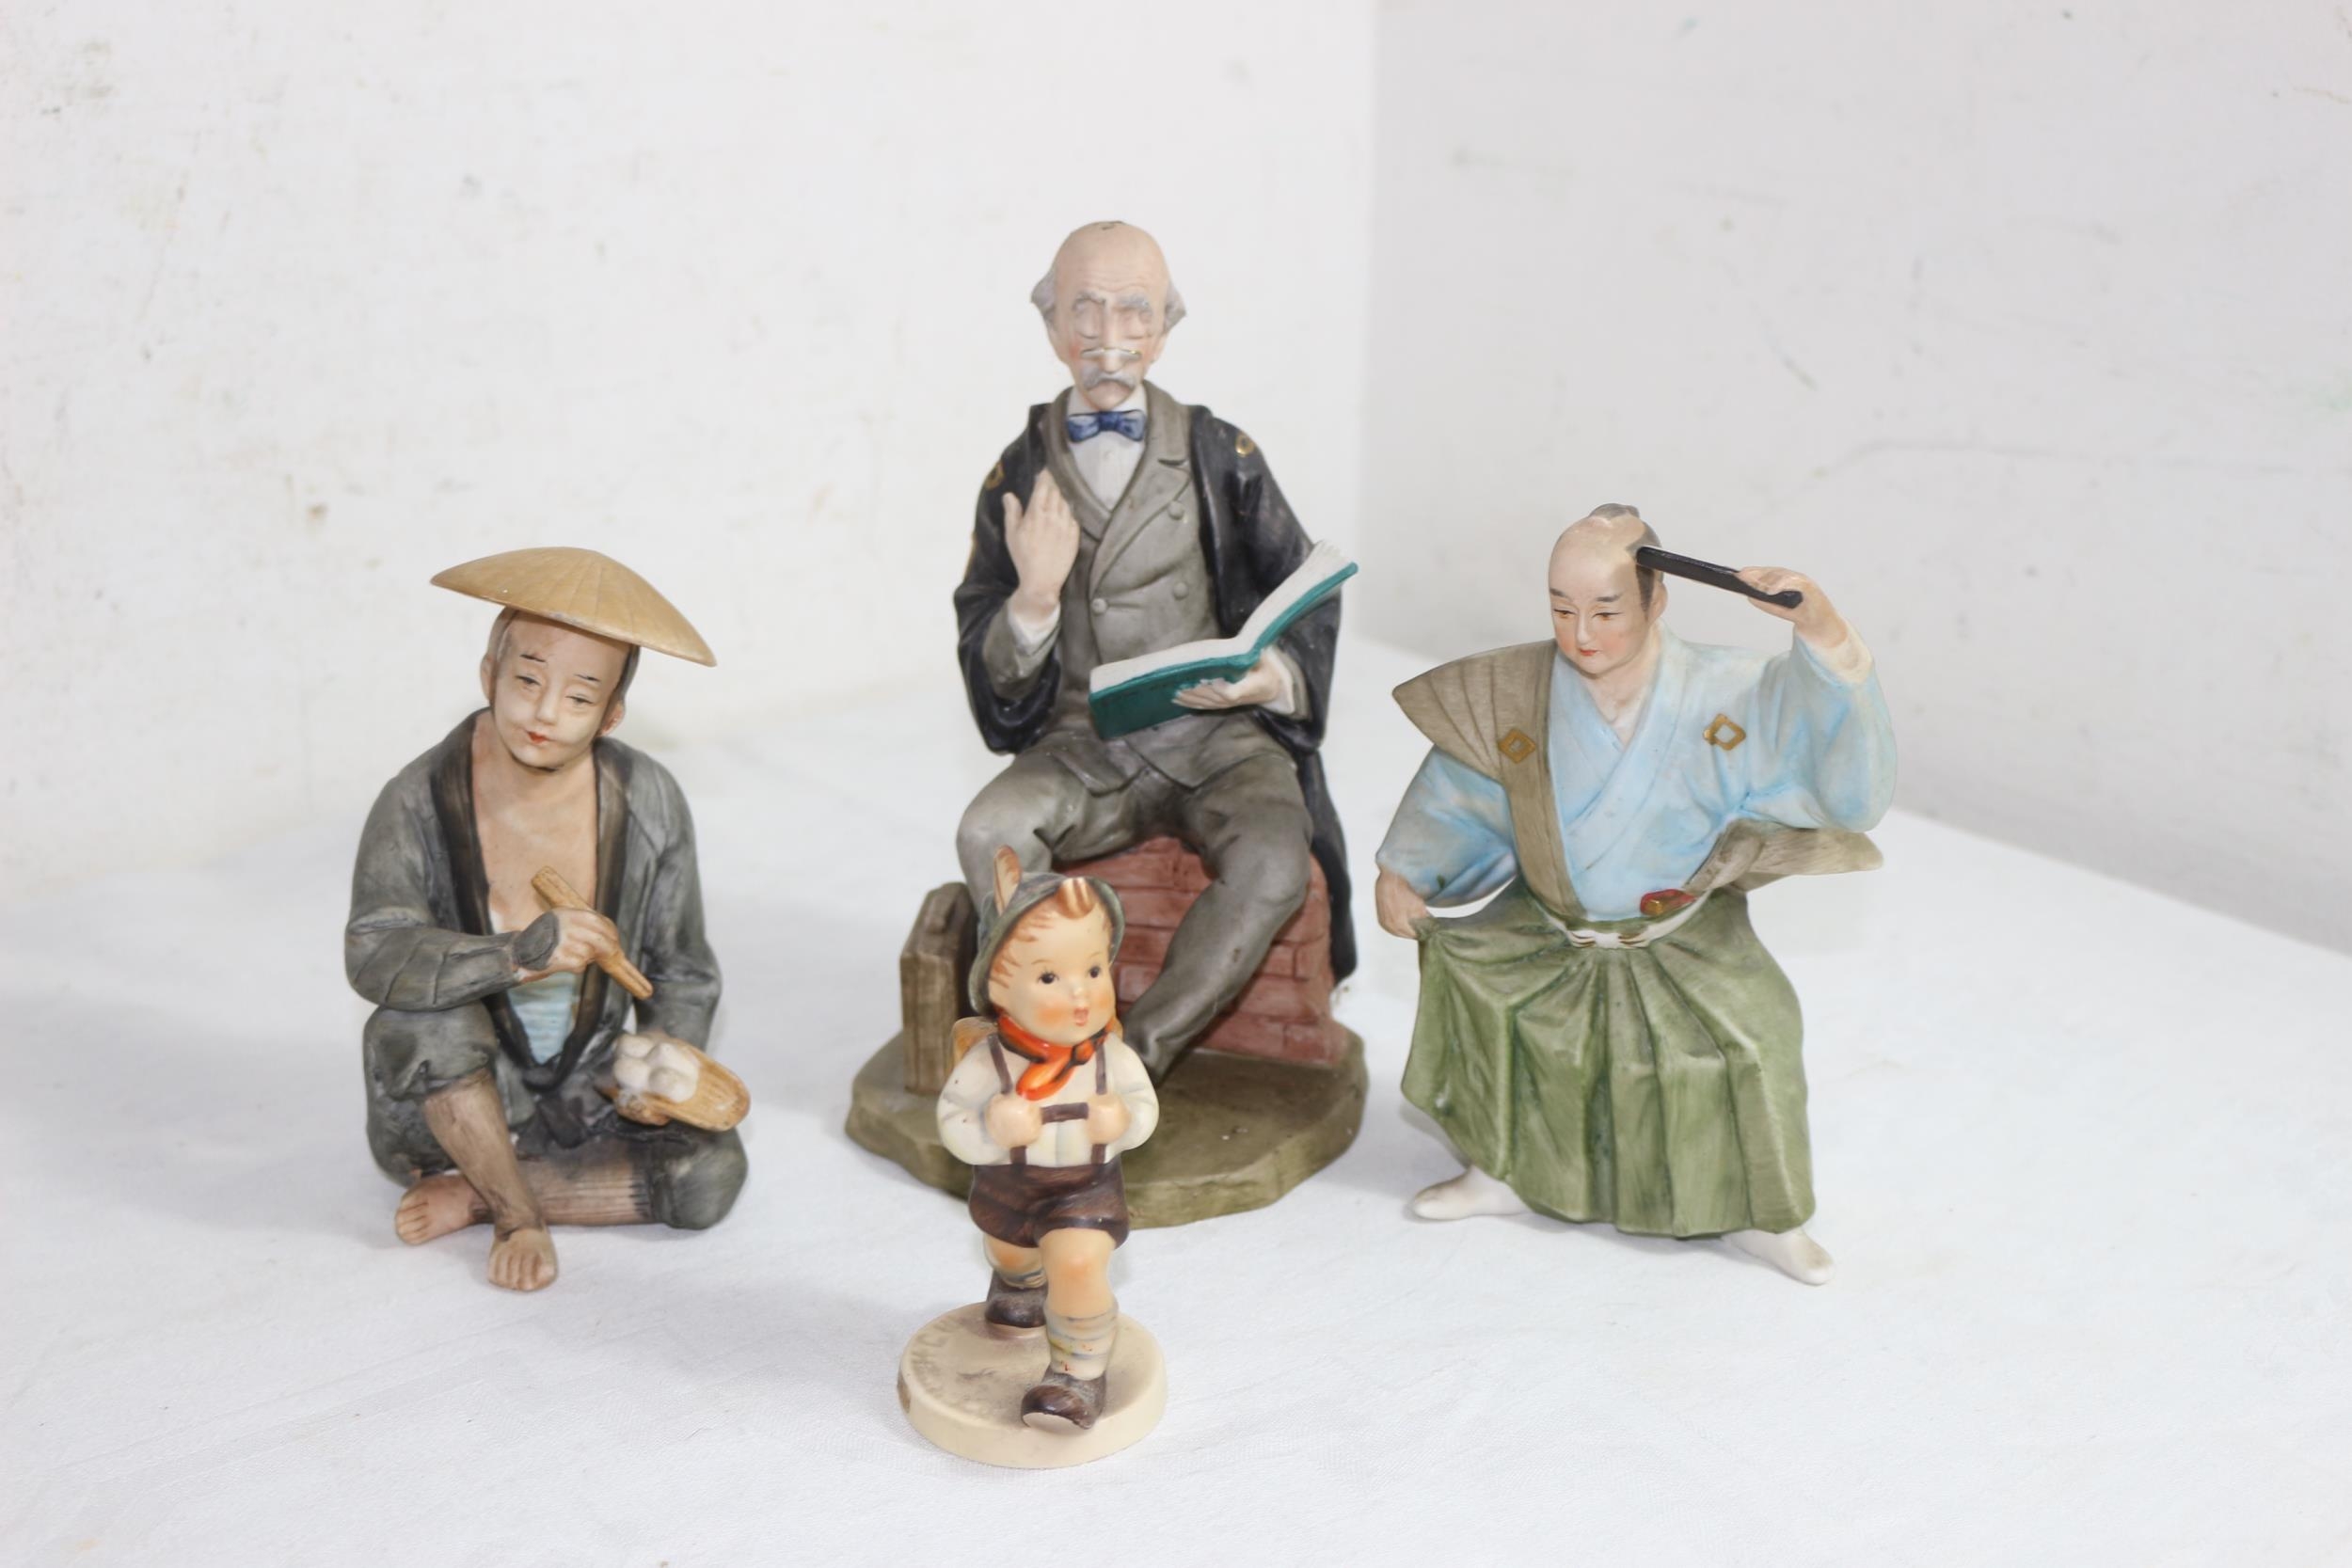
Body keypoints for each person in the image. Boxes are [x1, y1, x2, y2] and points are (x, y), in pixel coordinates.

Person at [1375, 507, 1894, 1283]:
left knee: (1752, 1042)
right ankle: (1505, 1172)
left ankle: (1761, 1212)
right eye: (1562, 609)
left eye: (1606, 610)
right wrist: (1406, 870)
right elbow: (1463, 792)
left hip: (1680, 934)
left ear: (1657, 600)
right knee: (1503, 1019)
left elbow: (1830, 764)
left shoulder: (1727, 692)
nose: (1581, 633)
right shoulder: (1516, 693)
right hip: (1551, 927)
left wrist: (1824, 633)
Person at [952, 220, 1351, 1080]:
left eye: (1133, 310)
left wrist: (1270, 677)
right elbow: (985, 641)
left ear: (1165, 329)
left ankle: (1140, 1052)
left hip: (1216, 738)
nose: (1109, 336)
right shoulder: (1018, 472)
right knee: (989, 828)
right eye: (1084, 310)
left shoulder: (1220, 454)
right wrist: (1032, 600)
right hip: (1082, 745)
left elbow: (1302, 584)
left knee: (1276, 859)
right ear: (1051, 326)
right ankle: (1050, 1023)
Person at [348, 547, 744, 1291]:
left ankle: (477, 1190)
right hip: (452, 1090)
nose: (544, 711)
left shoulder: (648, 800)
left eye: (579, 696)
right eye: (527, 679)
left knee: (709, 1178)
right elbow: (375, 952)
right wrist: (516, 955)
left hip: (589, 1082)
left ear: (612, 713)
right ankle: (515, 1215)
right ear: (488, 673)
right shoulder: (418, 799)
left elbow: (682, 969)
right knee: (423, 1024)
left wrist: (657, 1066)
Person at [936, 848, 1161, 1431]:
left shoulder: (1111, 1058)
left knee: (1079, 1263)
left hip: (1084, 1188)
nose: (1081, 995)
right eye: (1048, 977)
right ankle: (1020, 1280)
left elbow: (1143, 1108)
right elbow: (952, 1119)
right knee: (1012, 1250)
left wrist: (1124, 1122)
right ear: (997, 985)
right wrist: (991, 1129)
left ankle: (1076, 1375)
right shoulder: (988, 1063)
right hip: (1009, 1186)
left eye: (1094, 971)